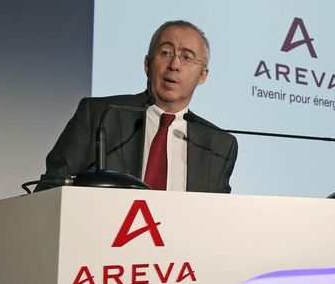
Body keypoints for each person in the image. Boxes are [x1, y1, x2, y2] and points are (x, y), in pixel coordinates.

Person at [35, 20, 238, 193]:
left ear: (202, 75)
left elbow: (217, 217)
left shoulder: (219, 145)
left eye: (187, 57)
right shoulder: (100, 115)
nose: (174, 65)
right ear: (147, 65)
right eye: (166, 53)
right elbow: (51, 189)